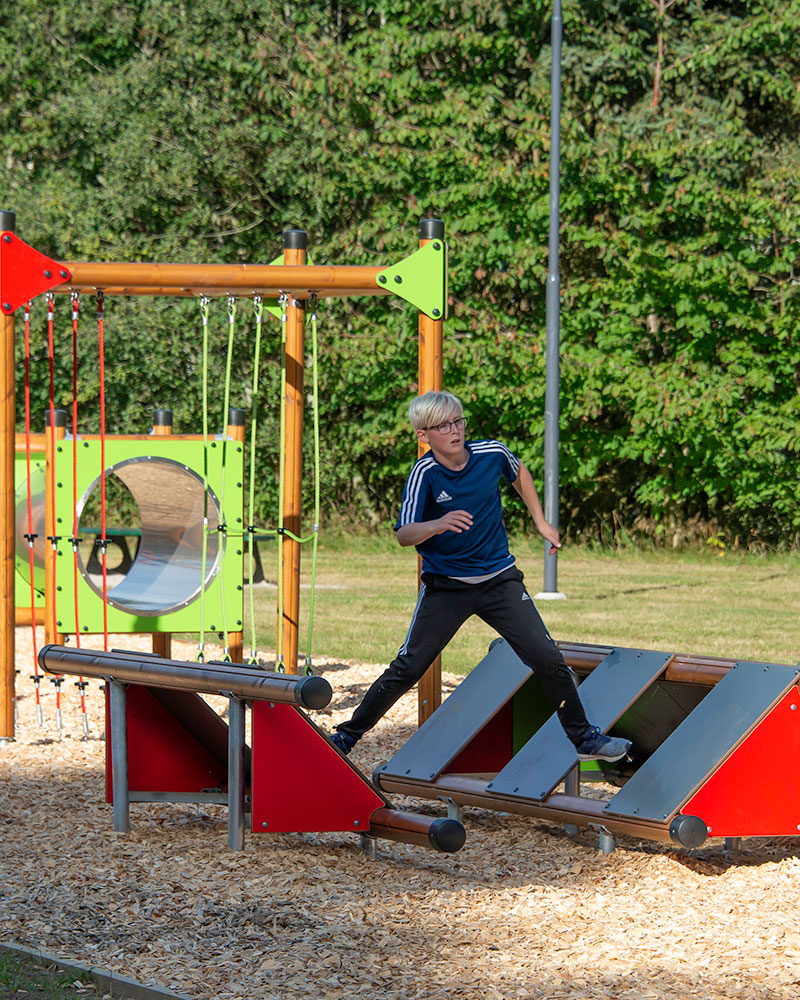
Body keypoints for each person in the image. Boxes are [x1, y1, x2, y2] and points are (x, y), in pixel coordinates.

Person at [330, 390, 631, 763]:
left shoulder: (491, 453)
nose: (455, 430)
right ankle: (345, 737)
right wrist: (437, 524)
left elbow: (519, 472)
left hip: (499, 581)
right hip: (447, 587)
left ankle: (585, 739)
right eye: (443, 426)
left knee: (548, 657)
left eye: (458, 421)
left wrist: (540, 520)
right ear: (424, 435)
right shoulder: (425, 473)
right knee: (408, 667)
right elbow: (404, 534)